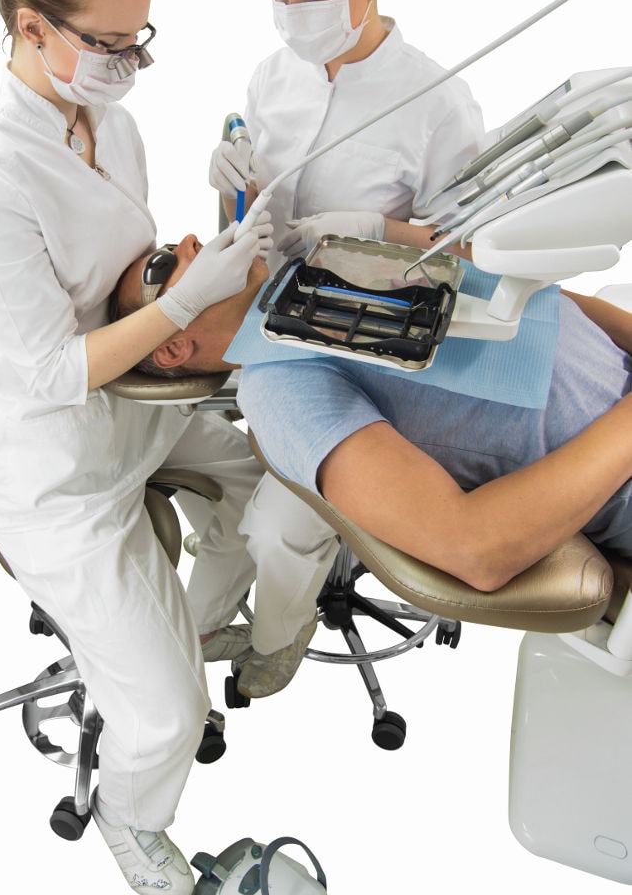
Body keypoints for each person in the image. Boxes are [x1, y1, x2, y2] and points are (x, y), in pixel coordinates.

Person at [0, 0, 275, 895]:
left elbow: (125, 278)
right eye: (110, 43)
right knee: (168, 718)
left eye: (139, 39)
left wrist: (217, 223)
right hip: (57, 471)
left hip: (139, 413)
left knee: (277, 494)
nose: (131, 62)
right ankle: (132, 817)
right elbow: (48, 369)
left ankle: (186, 633)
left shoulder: (110, 124)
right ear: (32, 26)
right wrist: (184, 301)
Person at [207, 0, 487, 697]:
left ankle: (279, 636)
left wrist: (372, 234)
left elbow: (471, 256)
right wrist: (227, 186)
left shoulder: (437, 102)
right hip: (269, 322)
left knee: (278, 530)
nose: (293, 12)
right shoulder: (273, 77)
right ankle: (209, 614)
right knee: (202, 476)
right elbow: (252, 227)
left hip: (368, 347)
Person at [112, 240, 632, 624]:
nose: (189, 242)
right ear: (172, 346)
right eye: (163, 266)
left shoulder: (316, 274)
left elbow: (543, 304)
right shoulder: (282, 390)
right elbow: (475, 549)